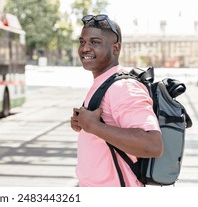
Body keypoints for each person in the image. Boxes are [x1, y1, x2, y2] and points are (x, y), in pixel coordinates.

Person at [70, 14, 163, 187]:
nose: (85, 48)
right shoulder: (104, 82)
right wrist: (84, 125)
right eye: (82, 42)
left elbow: (153, 145)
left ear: (115, 48)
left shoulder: (123, 87)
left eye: (95, 42)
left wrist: (94, 126)